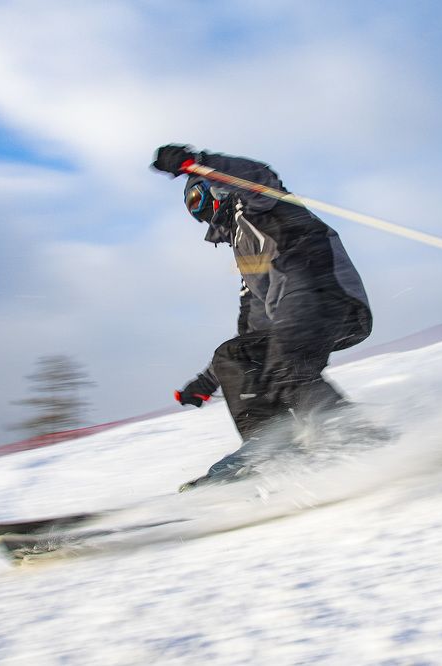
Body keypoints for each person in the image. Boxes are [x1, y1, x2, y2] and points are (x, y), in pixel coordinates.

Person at [151, 144, 373, 489]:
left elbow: (258, 177)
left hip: (325, 292)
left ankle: (351, 434)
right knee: (236, 354)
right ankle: (270, 445)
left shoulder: (262, 205)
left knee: (285, 360)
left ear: (216, 190)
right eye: (191, 208)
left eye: (198, 199)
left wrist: (197, 163)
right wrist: (207, 383)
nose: (199, 212)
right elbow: (252, 329)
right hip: (292, 315)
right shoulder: (245, 255)